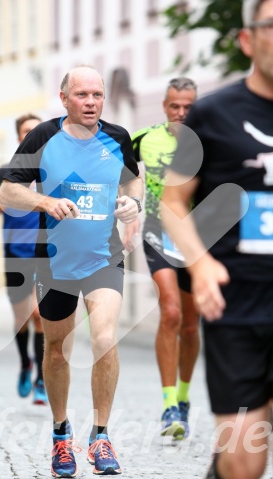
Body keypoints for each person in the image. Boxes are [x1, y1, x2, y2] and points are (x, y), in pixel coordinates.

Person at [161, 0, 273, 479]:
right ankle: (220, 475)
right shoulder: (212, 114)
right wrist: (200, 264)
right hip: (238, 307)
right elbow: (174, 201)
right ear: (248, 39)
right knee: (246, 469)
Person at [0, 65, 142, 478]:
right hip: (54, 261)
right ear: (64, 98)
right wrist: (45, 203)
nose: (91, 102)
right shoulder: (43, 136)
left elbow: (132, 183)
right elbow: (9, 190)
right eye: (82, 95)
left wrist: (133, 207)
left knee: (104, 337)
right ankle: (62, 437)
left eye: (97, 95)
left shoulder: (117, 138)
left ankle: (101, 436)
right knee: (57, 351)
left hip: (103, 258)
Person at [124, 78, 199, 439]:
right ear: (165, 107)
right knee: (170, 311)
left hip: (199, 238)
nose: (181, 113)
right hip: (158, 231)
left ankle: (184, 397)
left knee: (190, 324)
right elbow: (119, 171)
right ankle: (169, 404)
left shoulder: (211, 138)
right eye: (175, 106)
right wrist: (127, 207)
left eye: (188, 107)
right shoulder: (144, 137)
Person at [0, 114, 48, 406]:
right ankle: (25, 363)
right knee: (22, 318)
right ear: (19, 137)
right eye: (26, 131)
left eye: (36, 130)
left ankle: (43, 380)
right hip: (16, 257)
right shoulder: (7, 173)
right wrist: (12, 198)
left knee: (39, 316)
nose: (31, 135)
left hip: (46, 255)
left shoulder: (52, 172)